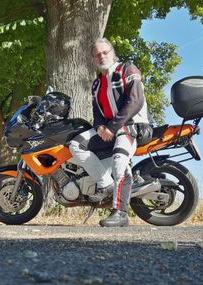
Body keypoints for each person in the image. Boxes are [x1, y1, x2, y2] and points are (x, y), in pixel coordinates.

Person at [69, 38, 150, 227]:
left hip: (132, 126)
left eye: (105, 52)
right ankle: (106, 185)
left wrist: (112, 127)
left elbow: (135, 100)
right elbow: (97, 112)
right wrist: (99, 128)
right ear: (93, 60)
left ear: (113, 53)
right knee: (76, 144)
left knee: (120, 161)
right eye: (97, 54)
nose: (102, 56)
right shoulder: (96, 85)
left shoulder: (128, 69)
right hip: (110, 130)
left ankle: (121, 213)